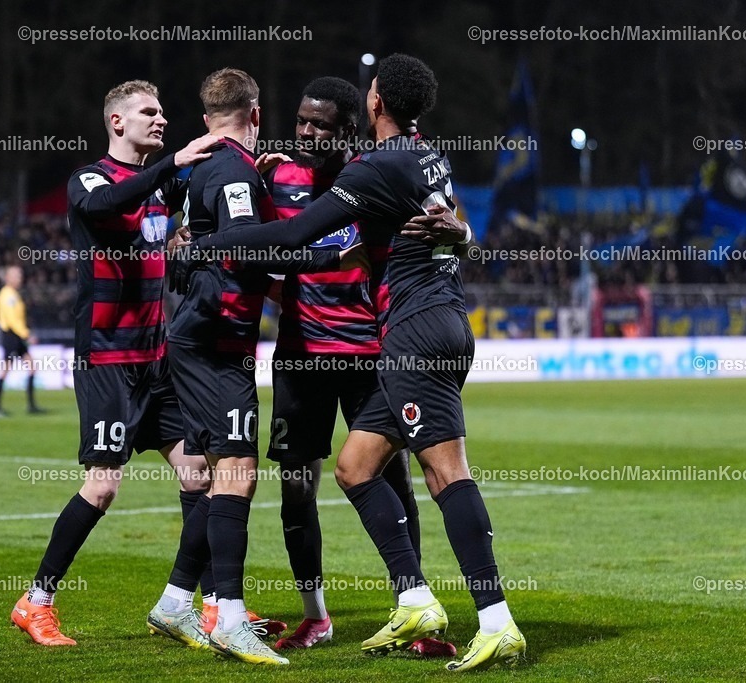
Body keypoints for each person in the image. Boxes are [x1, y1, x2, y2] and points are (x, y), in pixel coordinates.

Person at [177, 54, 526, 671]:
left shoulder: (372, 168)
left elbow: (291, 239)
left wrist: (205, 243)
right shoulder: (428, 155)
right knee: (356, 467)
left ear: (373, 104)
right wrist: (464, 237)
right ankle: (414, 599)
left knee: (447, 475)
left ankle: (496, 619)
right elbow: (452, 230)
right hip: (422, 327)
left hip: (415, 332)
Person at [148, 67, 364, 666]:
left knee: (221, 474)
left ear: (205, 119)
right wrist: (328, 254)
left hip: (203, 333)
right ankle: (230, 616)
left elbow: (211, 241)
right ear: (258, 115)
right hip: (216, 340)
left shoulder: (204, 171)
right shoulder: (233, 171)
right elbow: (248, 246)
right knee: (238, 469)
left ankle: (174, 602)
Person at [10, 80, 219, 647]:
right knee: (102, 489)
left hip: (157, 362)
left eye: (163, 112)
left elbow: (206, 187)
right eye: (148, 112)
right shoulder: (91, 179)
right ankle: (36, 601)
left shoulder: (159, 189)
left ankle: (190, 603)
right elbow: (105, 205)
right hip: (107, 358)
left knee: (203, 476)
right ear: (116, 122)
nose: (161, 120)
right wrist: (173, 164)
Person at [262, 76, 441, 655]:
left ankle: (410, 607)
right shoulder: (276, 177)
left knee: (392, 481)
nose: (308, 132)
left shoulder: (374, 175)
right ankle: (315, 615)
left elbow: (438, 231)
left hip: (368, 357)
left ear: (349, 129)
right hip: (300, 359)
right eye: (301, 122)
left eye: (321, 124)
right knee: (296, 489)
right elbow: (269, 257)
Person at [0, 265, 44, 416]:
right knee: (5, 371)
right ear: (7, 278)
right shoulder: (7, 296)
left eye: (20, 275)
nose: (19, 278)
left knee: (32, 366)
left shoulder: (13, 294)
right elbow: (12, 320)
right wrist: (27, 334)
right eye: (16, 276)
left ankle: (31, 406)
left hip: (17, 336)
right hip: (11, 336)